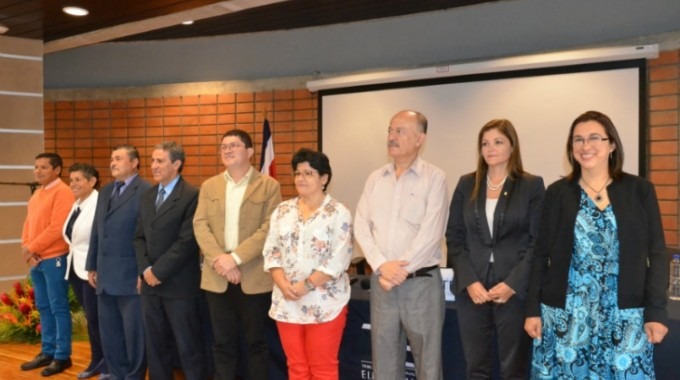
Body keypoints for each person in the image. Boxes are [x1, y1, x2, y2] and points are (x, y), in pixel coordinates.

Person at [525, 110, 669, 378]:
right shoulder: (557, 193)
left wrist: (657, 311)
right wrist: (532, 310)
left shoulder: (639, 190)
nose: (585, 146)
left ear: (611, 144)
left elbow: (658, 253)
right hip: (566, 314)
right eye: (577, 140)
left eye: (594, 138)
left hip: (624, 313)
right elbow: (539, 254)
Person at [354, 110, 449, 380]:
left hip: (420, 283)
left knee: (427, 364)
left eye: (400, 131)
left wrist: (399, 271)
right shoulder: (375, 178)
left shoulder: (435, 178)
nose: (392, 137)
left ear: (420, 139)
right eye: (390, 130)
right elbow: (361, 225)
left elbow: (432, 232)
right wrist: (382, 266)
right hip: (382, 282)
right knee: (383, 362)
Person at [446, 119, 544, 379]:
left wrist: (513, 284)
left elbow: (538, 242)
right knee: (476, 367)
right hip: (473, 288)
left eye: (498, 142)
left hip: (513, 289)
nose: (490, 148)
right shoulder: (467, 184)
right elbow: (454, 237)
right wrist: (469, 282)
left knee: (513, 368)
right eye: (485, 143)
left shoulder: (531, 185)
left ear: (512, 147)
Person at [193, 129, 282, 380]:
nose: (228, 150)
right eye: (223, 146)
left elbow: (269, 228)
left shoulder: (268, 186)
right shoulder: (209, 185)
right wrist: (221, 260)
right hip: (217, 274)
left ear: (251, 152)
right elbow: (200, 225)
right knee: (222, 343)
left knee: (256, 343)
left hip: (252, 275)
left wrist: (236, 258)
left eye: (234, 145)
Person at [263, 148, 353, 380]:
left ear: (324, 179)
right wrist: (283, 284)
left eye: (309, 173)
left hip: (324, 303)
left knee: (322, 368)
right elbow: (271, 252)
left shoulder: (338, 213)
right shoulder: (282, 210)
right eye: (297, 173)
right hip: (287, 301)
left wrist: (307, 285)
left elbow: (338, 259)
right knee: (297, 367)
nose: (301, 178)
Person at [134, 141, 207, 380]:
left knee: (188, 346)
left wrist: (158, 271)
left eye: (160, 161)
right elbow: (139, 237)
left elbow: (187, 242)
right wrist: (145, 270)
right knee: (155, 345)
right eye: (153, 160)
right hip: (149, 285)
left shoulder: (192, 195)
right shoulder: (148, 195)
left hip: (179, 286)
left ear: (177, 164)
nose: (153, 166)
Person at [86, 145, 151, 380]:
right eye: (111, 158)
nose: (113, 163)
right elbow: (97, 230)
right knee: (110, 329)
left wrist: (143, 271)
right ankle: (116, 372)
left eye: (119, 158)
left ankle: (134, 375)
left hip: (130, 274)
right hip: (105, 274)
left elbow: (148, 235)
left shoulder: (146, 190)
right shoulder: (105, 191)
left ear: (134, 163)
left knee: (134, 332)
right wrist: (92, 265)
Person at [20, 153, 75, 376]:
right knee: (43, 307)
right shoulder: (38, 194)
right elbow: (28, 224)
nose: (38, 171)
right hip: (37, 260)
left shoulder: (63, 192)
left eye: (44, 167)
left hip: (55, 258)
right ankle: (48, 351)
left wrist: (32, 248)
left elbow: (56, 228)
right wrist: (28, 250)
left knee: (58, 307)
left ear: (58, 170)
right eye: (36, 167)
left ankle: (62, 356)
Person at [62, 163, 110, 380]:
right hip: (75, 267)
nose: (73, 184)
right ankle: (96, 360)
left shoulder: (100, 202)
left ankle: (109, 362)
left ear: (92, 181)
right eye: (71, 180)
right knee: (92, 320)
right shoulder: (78, 204)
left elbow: (100, 238)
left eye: (78, 179)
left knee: (98, 319)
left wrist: (96, 266)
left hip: (91, 270)